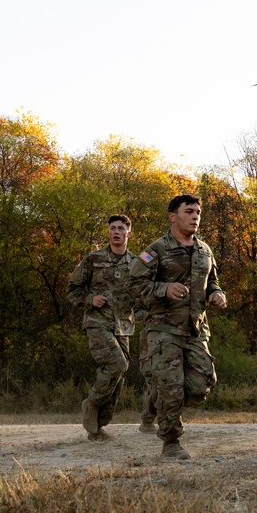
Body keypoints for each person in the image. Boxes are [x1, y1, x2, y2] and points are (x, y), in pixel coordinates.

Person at [129, 194, 226, 459]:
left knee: (200, 386)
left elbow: (213, 281)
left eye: (198, 212)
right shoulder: (156, 249)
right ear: (173, 216)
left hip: (195, 330)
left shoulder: (205, 250)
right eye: (189, 211)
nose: (195, 216)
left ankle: (154, 399)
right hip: (163, 330)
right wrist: (163, 288)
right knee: (171, 387)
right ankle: (171, 442)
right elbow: (134, 284)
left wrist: (217, 294)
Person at [66, 214, 138, 441]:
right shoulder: (93, 259)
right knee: (116, 363)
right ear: (108, 233)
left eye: (121, 228)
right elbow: (72, 290)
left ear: (128, 233)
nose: (116, 232)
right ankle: (92, 402)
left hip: (123, 326)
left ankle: (98, 426)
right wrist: (90, 299)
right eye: (112, 228)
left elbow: (144, 292)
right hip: (97, 322)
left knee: (121, 371)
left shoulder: (137, 263)